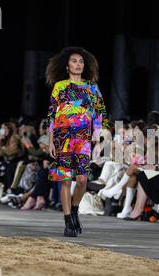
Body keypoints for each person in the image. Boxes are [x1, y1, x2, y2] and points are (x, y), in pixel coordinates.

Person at [46, 47, 108, 237]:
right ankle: (67, 221)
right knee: (65, 179)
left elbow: (100, 113)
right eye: (74, 61)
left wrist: (98, 134)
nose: (78, 64)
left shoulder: (92, 87)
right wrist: (50, 142)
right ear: (67, 65)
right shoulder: (60, 87)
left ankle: (74, 209)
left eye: (81, 61)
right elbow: (52, 116)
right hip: (62, 137)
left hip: (83, 138)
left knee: (82, 179)